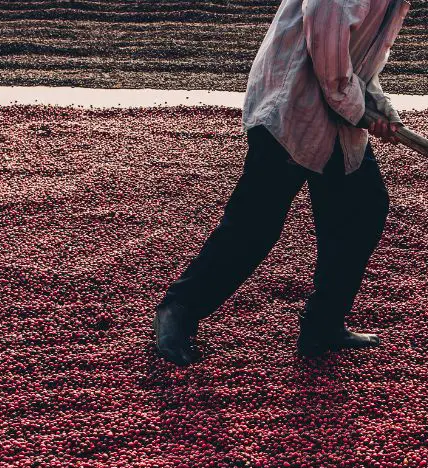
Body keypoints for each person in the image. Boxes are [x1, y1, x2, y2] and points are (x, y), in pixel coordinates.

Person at [153, 0, 410, 366]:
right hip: (293, 109)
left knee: (362, 210)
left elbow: (358, 60)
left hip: (334, 117)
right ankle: (178, 310)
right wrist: (363, 114)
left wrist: (381, 110)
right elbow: (330, 53)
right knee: (254, 226)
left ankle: (323, 326)